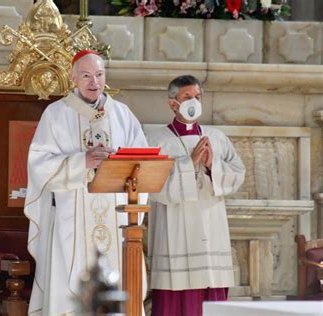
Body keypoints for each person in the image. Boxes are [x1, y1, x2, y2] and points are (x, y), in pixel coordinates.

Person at [24, 50, 148, 315]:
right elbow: (39, 166)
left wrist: (120, 163)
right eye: (87, 76)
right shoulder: (56, 114)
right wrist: (82, 162)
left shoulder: (122, 114)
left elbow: (143, 164)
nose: (95, 82)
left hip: (117, 221)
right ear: (73, 77)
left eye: (100, 75)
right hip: (72, 217)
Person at [146, 75, 246, 316]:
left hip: (211, 227)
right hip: (175, 229)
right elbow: (150, 186)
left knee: (210, 290)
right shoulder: (156, 141)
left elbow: (238, 174)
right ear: (173, 103)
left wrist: (213, 166)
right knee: (176, 297)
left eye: (198, 97)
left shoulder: (217, 138)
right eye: (187, 97)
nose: (194, 102)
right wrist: (188, 164)